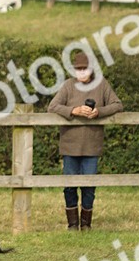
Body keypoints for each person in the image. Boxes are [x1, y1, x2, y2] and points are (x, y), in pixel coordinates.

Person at [47, 51, 123, 231]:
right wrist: (74, 110)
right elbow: (52, 106)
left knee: (89, 187)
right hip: (70, 145)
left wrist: (99, 112)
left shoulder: (102, 84)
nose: (81, 72)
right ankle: (72, 225)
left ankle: (86, 224)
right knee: (69, 187)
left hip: (92, 145)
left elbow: (118, 105)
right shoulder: (68, 85)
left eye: (85, 69)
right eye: (78, 69)